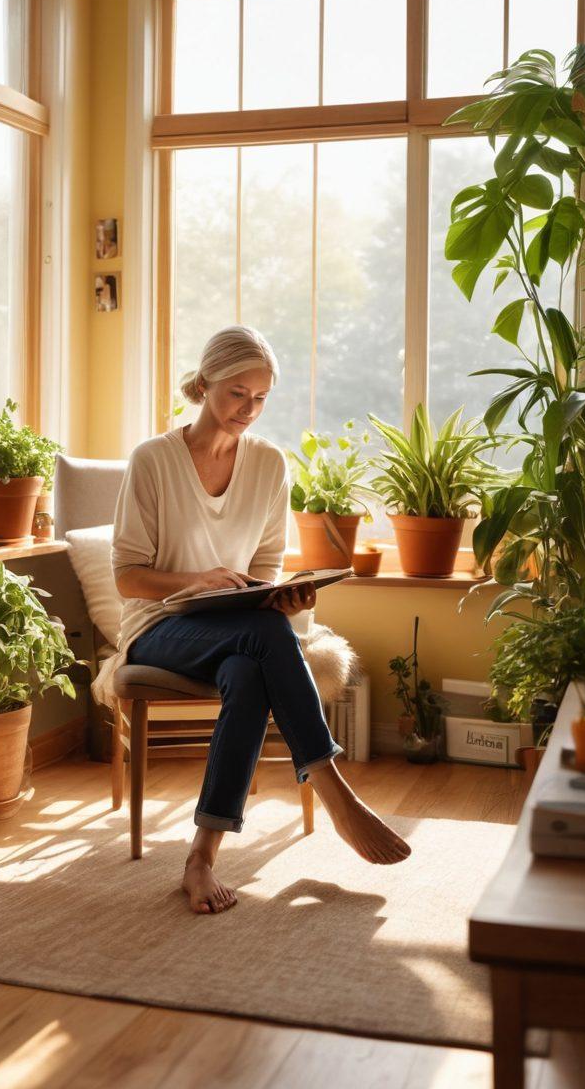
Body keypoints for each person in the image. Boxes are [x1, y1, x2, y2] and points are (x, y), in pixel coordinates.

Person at [110, 325, 412, 915]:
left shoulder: (270, 465)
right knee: (263, 639)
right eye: (235, 394)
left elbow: (267, 567)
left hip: (238, 626)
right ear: (202, 386)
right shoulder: (153, 461)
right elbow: (127, 576)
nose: (248, 409)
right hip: (157, 629)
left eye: (261, 398)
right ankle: (329, 782)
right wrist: (195, 581)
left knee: (251, 669)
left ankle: (201, 858)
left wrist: (281, 596)